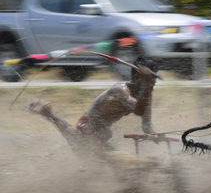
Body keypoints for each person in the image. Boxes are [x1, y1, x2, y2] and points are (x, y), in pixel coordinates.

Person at [29, 56, 162, 153]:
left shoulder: (145, 95)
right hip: (89, 126)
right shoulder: (120, 90)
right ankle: (50, 114)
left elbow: (146, 123)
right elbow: (138, 110)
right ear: (138, 78)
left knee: (110, 161)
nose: (153, 84)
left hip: (103, 131)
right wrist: (147, 85)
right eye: (151, 80)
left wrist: (154, 133)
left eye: (153, 81)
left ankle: (48, 113)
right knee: (89, 154)